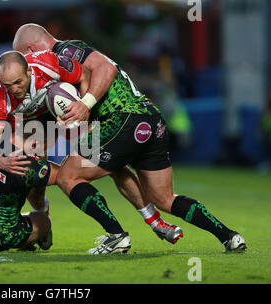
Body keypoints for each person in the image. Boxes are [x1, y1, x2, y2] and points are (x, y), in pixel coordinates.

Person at [12, 24, 247, 253]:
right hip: (149, 119)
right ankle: (229, 236)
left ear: (32, 50)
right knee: (165, 198)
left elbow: (106, 68)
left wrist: (85, 104)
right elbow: (114, 167)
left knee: (69, 177)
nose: (28, 68)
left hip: (122, 119)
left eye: (25, 59)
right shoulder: (61, 71)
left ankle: (117, 237)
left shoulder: (64, 51)